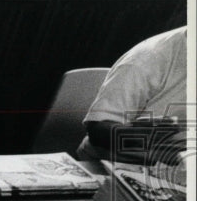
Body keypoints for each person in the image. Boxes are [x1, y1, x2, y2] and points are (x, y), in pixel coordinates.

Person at [77, 25, 188, 164]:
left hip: (176, 170)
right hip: (112, 166)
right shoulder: (148, 58)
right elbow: (97, 131)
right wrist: (135, 134)